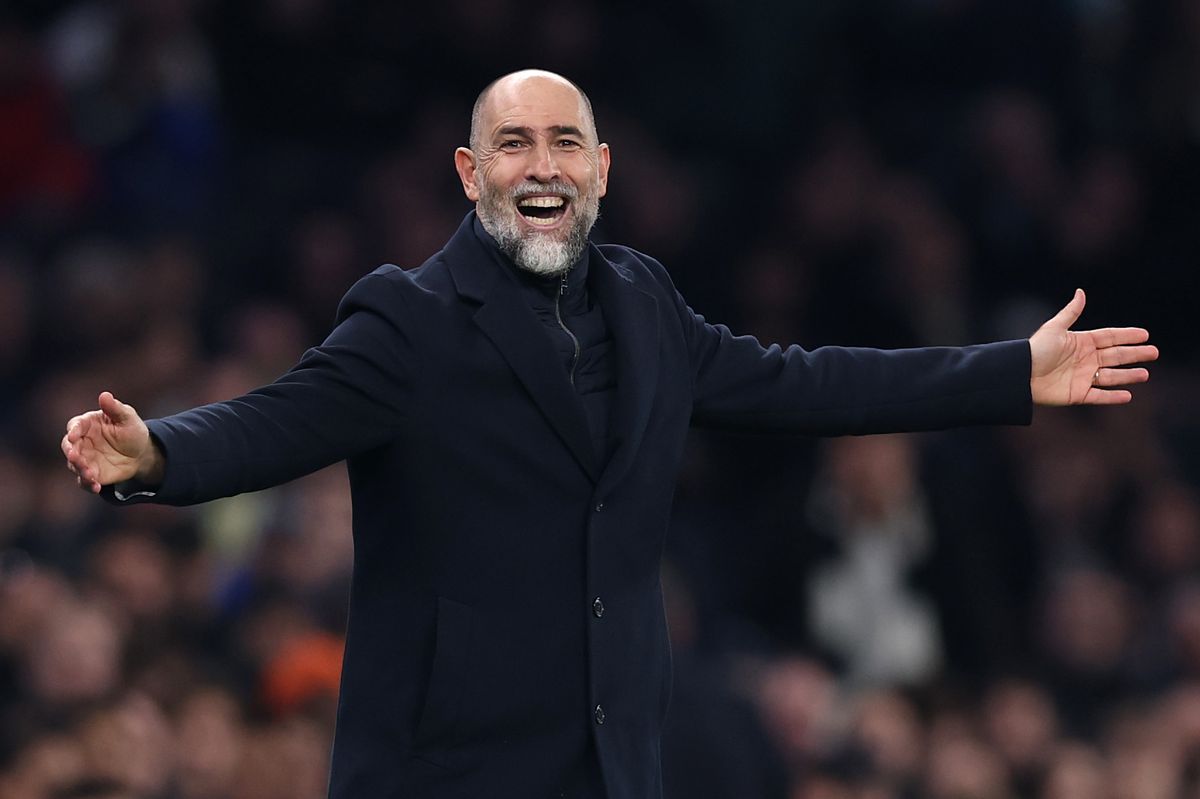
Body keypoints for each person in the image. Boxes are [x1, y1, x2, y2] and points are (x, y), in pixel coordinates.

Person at [60, 69, 1158, 799]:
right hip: (444, 775)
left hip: (610, 764)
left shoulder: (648, 306)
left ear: (600, 170)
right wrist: (157, 452)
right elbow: (277, 421)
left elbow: (810, 383)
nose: (542, 165)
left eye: (565, 143)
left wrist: (1008, 371)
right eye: (514, 144)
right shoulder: (408, 319)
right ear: (471, 173)